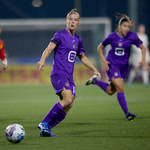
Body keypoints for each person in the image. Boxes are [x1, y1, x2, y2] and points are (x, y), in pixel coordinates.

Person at [37, 8, 101, 137]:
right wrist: (42, 60)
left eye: (75, 20)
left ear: (78, 23)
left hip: (69, 77)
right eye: (70, 19)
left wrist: (95, 70)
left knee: (69, 104)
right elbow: (49, 48)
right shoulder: (60, 35)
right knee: (66, 99)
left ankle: (47, 129)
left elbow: (82, 57)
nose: (72, 21)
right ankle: (44, 123)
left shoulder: (78, 40)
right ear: (67, 21)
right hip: (58, 73)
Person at [86, 13, 149, 121]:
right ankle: (127, 114)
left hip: (123, 67)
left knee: (111, 91)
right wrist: (103, 60)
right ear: (119, 26)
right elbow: (99, 48)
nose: (126, 29)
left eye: (128, 27)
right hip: (112, 65)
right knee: (120, 87)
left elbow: (143, 48)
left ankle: (95, 81)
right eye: (124, 26)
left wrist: (143, 59)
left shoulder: (132, 36)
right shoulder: (111, 37)